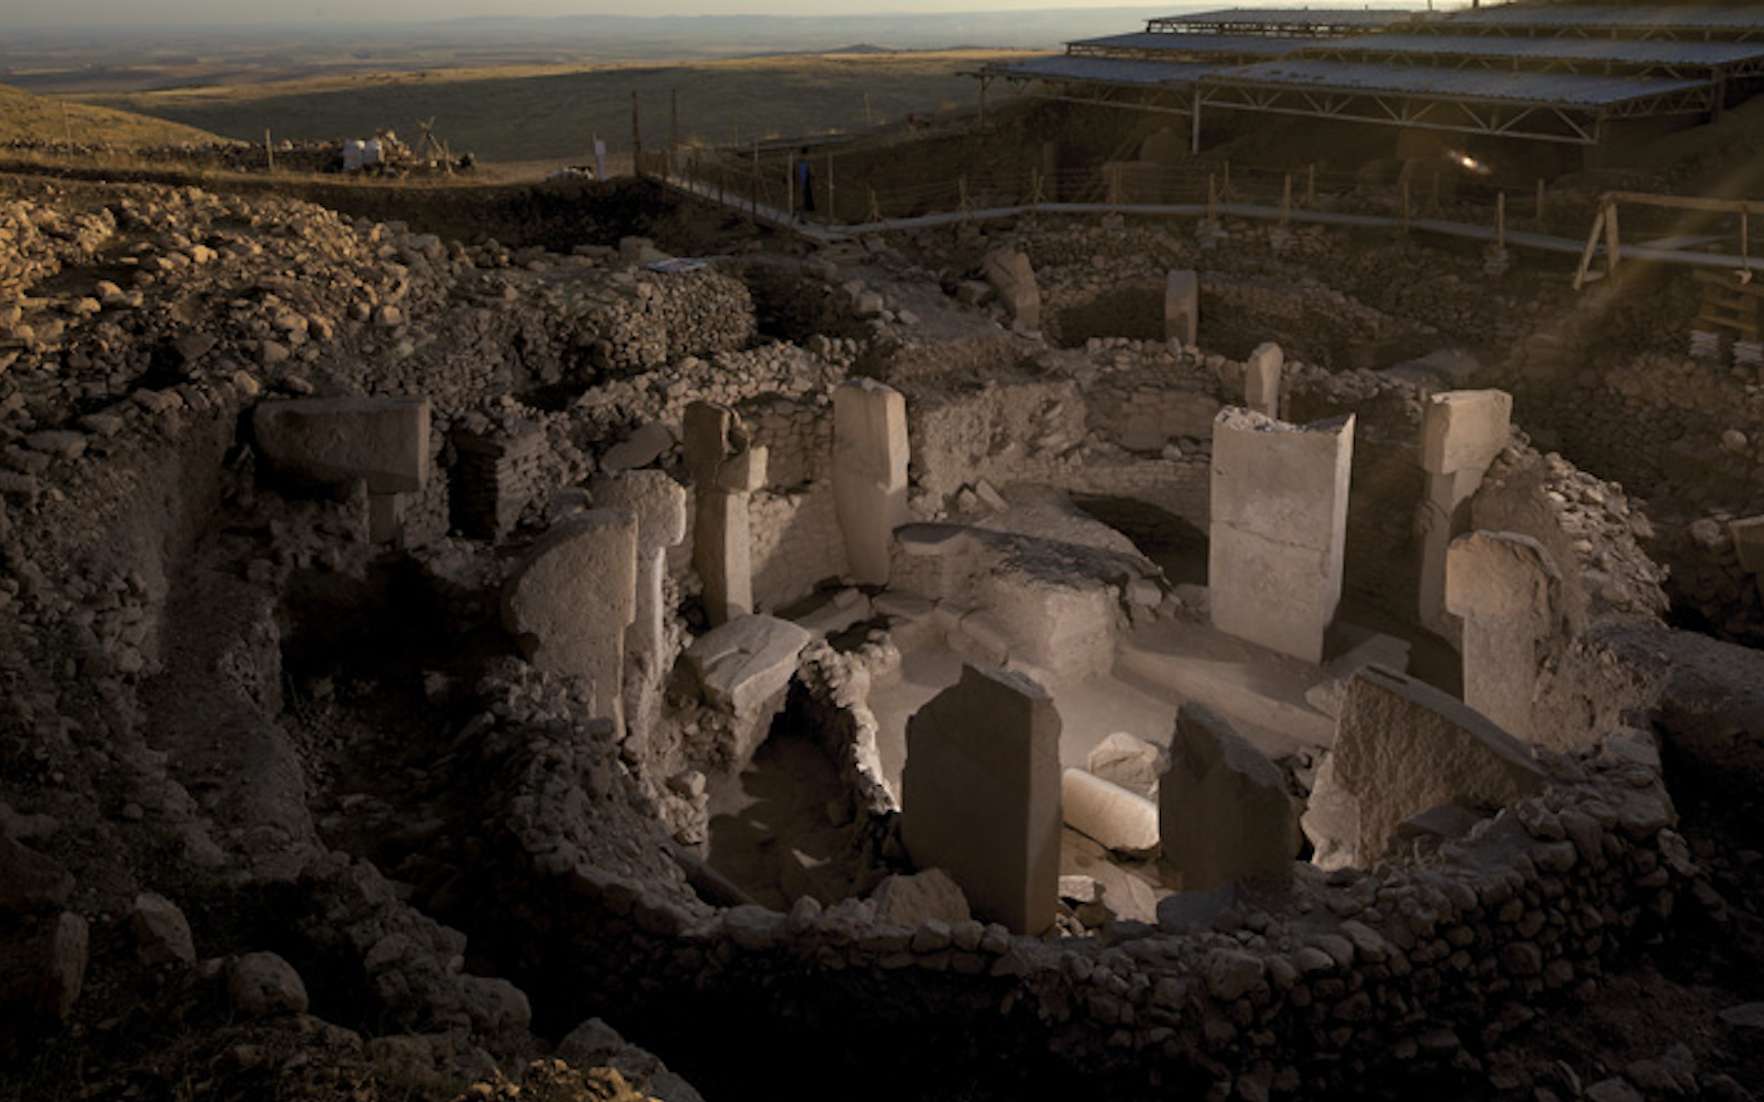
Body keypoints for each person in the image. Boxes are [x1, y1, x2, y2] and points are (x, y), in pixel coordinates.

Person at [795, 147, 816, 220]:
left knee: (802, 197)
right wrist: (813, 176)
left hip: (800, 180)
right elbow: (811, 170)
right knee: (804, 197)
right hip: (805, 180)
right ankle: (802, 216)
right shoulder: (806, 161)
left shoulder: (799, 160)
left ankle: (801, 214)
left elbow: (796, 170)